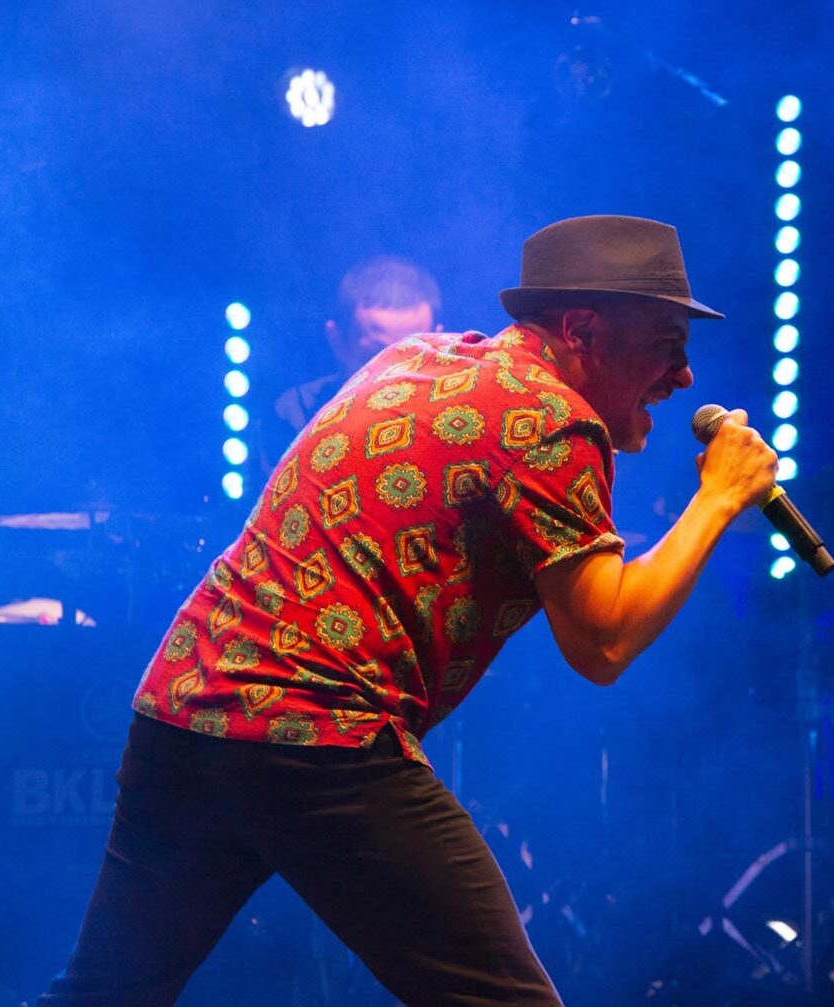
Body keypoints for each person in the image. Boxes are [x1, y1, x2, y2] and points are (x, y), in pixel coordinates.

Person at [42, 215, 777, 1006]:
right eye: (667, 342)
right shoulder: (550, 418)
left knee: (102, 995)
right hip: (318, 730)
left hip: (185, 703)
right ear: (582, 330)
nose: (685, 377)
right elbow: (602, 642)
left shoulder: (418, 357)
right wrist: (719, 498)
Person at [272, 254, 446, 435]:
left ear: (439, 340)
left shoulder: (458, 409)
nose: (399, 373)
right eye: (380, 355)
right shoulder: (296, 411)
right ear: (337, 340)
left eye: (415, 354)